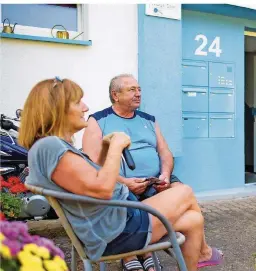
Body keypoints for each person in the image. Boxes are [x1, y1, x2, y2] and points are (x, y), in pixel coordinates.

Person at [19, 77, 222, 271]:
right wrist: (116, 147)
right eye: (78, 102)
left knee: (194, 219)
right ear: (58, 109)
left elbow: (92, 178)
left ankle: (202, 253)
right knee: (185, 191)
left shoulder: (49, 146)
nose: (85, 108)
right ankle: (204, 252)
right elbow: (104, 189)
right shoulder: (51, 146)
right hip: (117, 230)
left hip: (116, 222)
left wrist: (106, 147)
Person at [81, 74, 223, 270]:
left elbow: (165, 153)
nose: (138, 94)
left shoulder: (148, 120)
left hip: (155, 179)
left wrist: (164, 175)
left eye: (139, 89)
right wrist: (124, 182)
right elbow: (93, 165)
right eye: (132, 90)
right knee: (184, 196)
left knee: (179, 188)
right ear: (115, 95)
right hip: (122, 183)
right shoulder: (98, 120)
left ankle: (193, 251)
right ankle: (143, 254)